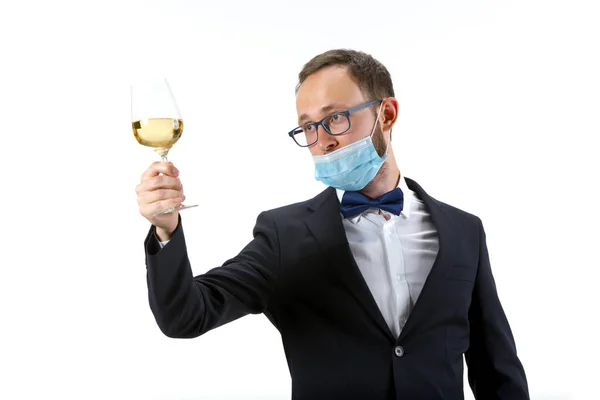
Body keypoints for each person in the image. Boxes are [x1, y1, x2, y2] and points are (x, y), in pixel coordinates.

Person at [136, 49, 529, 399]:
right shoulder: (283, 236)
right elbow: (186, 315)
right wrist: (166, 230)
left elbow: (495, 369)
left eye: (335, 118)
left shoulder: (465, 231)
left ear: (386, 114)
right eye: (307, 127)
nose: (322, 140)